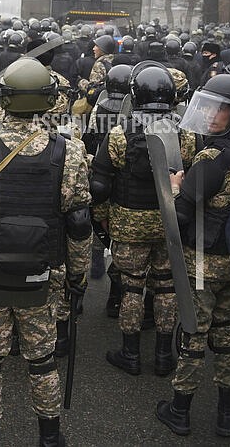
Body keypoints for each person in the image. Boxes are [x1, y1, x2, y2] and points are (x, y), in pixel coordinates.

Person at [0, 57, 92, 447]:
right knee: (42, 361)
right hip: (43, 277)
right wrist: (77, 277)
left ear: (3, 99)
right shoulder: (70, 152)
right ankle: (49, 437)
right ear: (49, 100)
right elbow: (79, 223)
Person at [156, 74, 230, 438]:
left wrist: (174, 187)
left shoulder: (215, 155)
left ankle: (180, 410)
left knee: (194, 335)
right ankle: (226, 413)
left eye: (221, 109)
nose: (211, 115)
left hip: (202, 260)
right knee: (226, 334)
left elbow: (182, 212)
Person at [91, 65, 192, 379]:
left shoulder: (121, 132)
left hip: (129, 222)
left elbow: (100, 186)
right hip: (171, 222)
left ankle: (130, 353)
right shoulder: (186, 133)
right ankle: (164, 356)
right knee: (165, 288)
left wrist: (102, 220)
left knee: (131, 287)